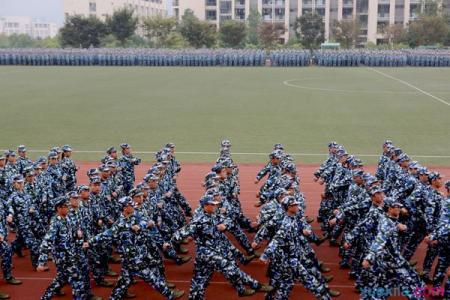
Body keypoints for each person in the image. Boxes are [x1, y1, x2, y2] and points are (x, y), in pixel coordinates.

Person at [172, 195, 273, 299]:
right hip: (207, 253)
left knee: (200, 279)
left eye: (215, 205)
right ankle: (256, 285)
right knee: (230, 268)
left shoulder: (214, 215)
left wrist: (225, 225)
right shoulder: (198, 220)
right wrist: (174, 243)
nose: (215, 207)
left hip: (215, 250)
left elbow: (229, 220)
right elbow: (178, 235)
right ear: (205, 206)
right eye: (213, 205)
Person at [85, 197, 185, 300]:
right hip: (134, 259)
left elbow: (144, 224)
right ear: (125, 208)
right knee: (153, 278)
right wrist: (90, 242)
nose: (133, 206)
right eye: (130, 205)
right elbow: (105, 235)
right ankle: (170, 295)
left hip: (135, 258)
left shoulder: (134, 217)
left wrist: (145, 227)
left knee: (123, 283)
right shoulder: (120, 225)